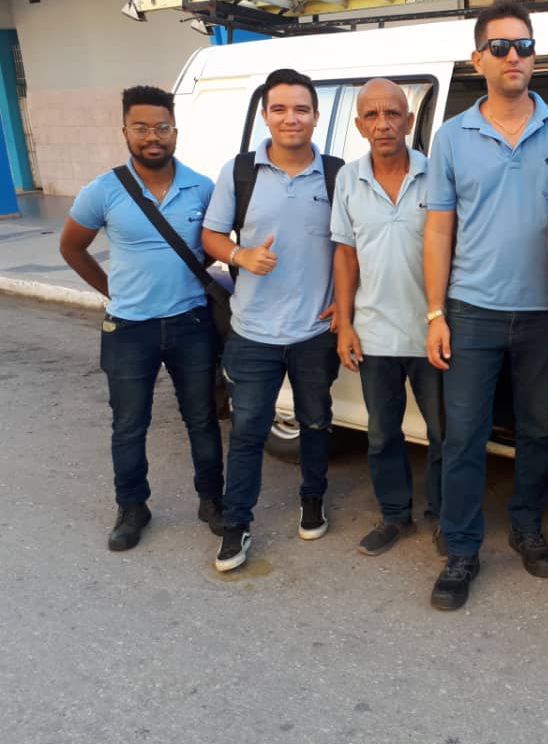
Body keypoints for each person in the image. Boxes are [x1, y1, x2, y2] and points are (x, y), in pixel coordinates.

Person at [424, 1, 548, 610]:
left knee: (537, 431)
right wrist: (435, 313)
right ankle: (463, 547)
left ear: (534, 55)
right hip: (471, 311)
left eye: (522, 45)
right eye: (499, 47)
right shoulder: (452, 137)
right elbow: (438, 230)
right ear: (479, 59)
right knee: (464, 435)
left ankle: (526, 525)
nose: (513, 56)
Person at [59, 85, 223, 551]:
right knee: (129, 424)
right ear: (125, 131)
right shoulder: (104, 189)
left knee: (202, 418)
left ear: (175, 131)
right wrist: (113, 291)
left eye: (162, 127)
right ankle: (132, 507)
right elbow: (71, 247)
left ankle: (211, 499)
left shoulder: (201, 186)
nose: (153, 137)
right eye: (142, 128)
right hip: (129, 329)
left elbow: (212, 245)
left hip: (191, 324)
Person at [201, 68, 341, 573]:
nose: (291, 118)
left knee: (317, 423)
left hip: (314, 333)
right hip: (252, 333)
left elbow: (350, 248)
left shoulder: (335, 173)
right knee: (247, 432)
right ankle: (237, 526)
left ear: (316, 116)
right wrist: (240, 257)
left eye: (300, 108)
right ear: (265, 115)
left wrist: (344, 305)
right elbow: (211, 236)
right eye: (279, 108)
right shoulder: (239, 172)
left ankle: (313, 500)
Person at [332, 78, 443, 556]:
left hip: (432, 333)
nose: (383, 124)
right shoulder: (347, 180)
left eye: (393, 113)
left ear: (410, 121)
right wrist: (344, 322)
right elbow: (345, 254)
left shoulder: (436, 173)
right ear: (359, 125)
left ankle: (444, 515)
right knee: (381, 434)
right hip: (374, 333)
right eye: (372, 116)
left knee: (445, 433)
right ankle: (394, 515)